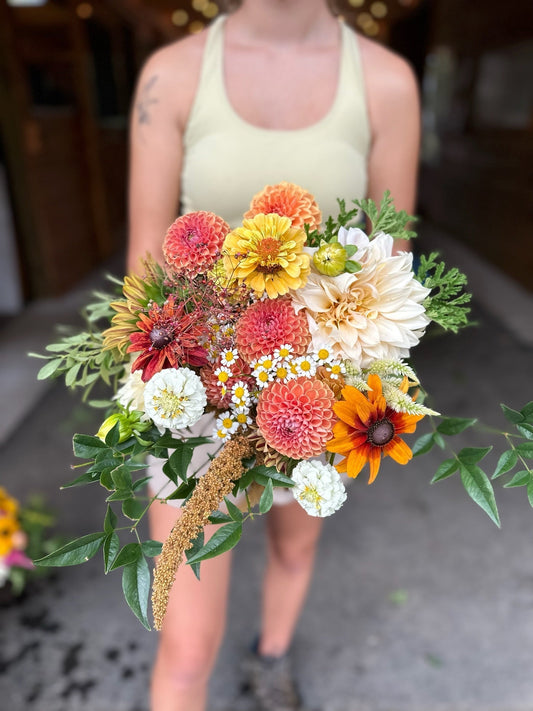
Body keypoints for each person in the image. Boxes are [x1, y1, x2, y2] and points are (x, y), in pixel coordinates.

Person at [126, 1, 420, 710]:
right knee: (186, 644)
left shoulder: (385, 82)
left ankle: (272, 658)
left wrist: (349, 377)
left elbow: (392, 263)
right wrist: (164, 387)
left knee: (294, 546)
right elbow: (143, 266)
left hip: (318, 388)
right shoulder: (172, 75)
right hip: (197, 388)